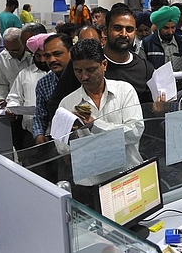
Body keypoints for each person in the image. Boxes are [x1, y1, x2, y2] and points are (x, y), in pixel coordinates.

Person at [59, 38, 144, 168]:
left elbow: (135, 133)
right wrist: (71, 135)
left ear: (104, 65)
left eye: (90, 70)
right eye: (78, 71)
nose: (84, 77)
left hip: (126, 175)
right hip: (90, 181)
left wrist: (95, 125)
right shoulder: (67, 103)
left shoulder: (124, 91)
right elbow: (62, 149)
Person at [32, 34, 74, 145]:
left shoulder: (83, 77)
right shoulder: (43, 83)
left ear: (71, 52)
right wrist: (39, 134)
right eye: (47, 56)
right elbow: (40, 115)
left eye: (57, 54)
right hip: (58, 141)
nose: (51, 60)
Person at [0, 27, 31, 100]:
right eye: (8, 49)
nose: (11, 53)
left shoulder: (32, 56)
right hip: (12, 102)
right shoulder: (2, 57)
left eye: (15, 50)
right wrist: (2, 99)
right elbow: (2, 84)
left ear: (23, 44)